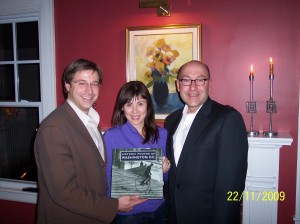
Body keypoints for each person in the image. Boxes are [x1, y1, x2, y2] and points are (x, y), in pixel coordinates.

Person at [34, 59, 146, 224]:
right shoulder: (54, 129)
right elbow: (64, 192)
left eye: (94, 84)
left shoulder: (90, 120)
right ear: (67, 86)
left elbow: (95, 169)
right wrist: (113, 205)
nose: (89, 90)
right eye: (81, 83)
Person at [164, 60, 248, 224]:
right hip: (175, 216)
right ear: (178, 85)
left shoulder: (228, 118)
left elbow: (232, 184)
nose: (193, 87)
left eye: (200, 80)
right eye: (186, 80)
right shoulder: (171, 121)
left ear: (210, 84)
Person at [104, 81, 171, 224]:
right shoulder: (112, 136)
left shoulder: (162, 134)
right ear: (122, 107)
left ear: (147, 106)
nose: (135, 111)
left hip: (158, 209)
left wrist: (165, 169)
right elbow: (107, 176)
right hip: (129, 214)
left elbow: (167, 179)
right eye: (129, 105)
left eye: (140, 104)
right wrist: (115, 203)